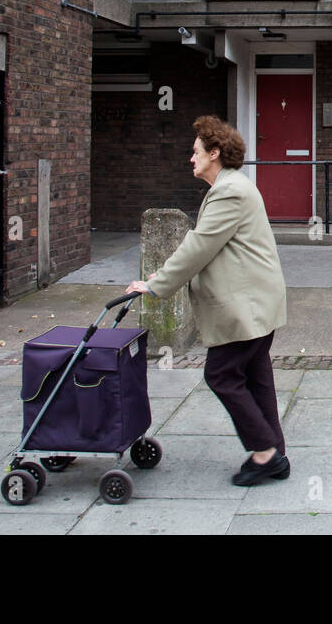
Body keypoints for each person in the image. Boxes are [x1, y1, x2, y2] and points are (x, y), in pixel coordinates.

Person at [125, 115, 289, 486]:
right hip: (256, 304)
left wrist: (157, 285)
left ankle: (264, 454)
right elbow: (211, 250)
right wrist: (163, 276)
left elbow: (199, 246)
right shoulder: (231, 187)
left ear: (215, 153)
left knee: (221, 375)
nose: (191, 158)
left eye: (196, 151)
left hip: (246, 307)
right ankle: (274, 452)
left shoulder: (229, 191)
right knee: (255, 376)